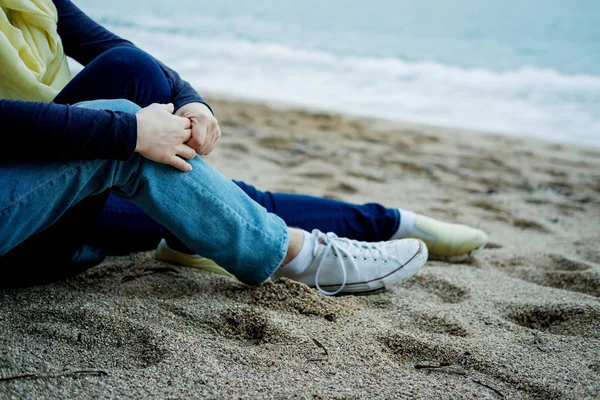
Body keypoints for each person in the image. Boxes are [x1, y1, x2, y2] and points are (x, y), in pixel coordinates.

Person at [0, 0, 485, 295]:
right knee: (143, 145)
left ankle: (390, 221)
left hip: (45, 179)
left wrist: (192, 102)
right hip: (25, 214)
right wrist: (126, 133)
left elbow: (115, 49)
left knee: (133, 72)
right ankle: (290, 254)